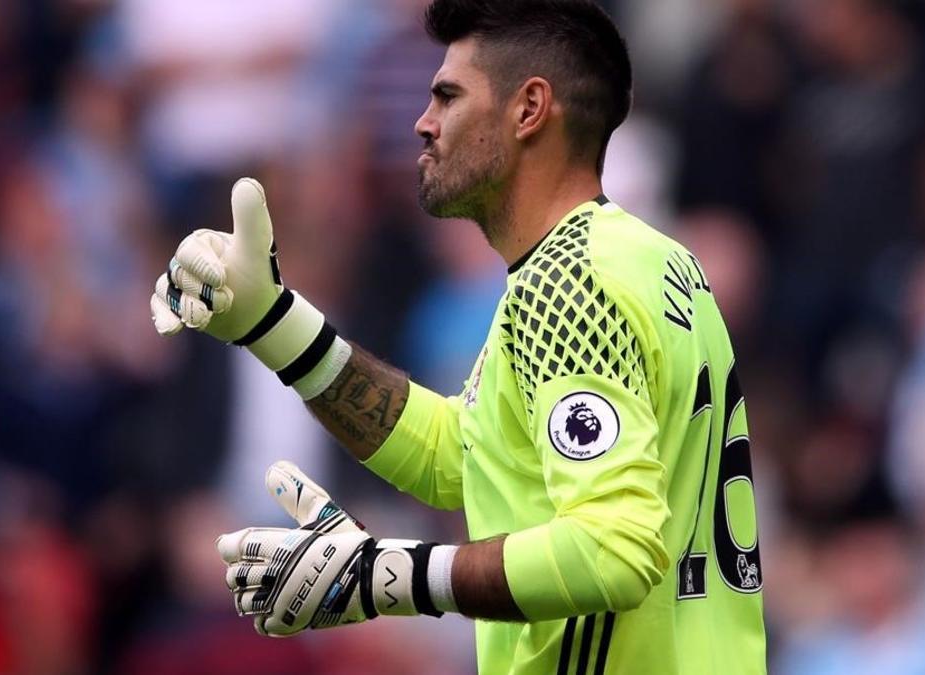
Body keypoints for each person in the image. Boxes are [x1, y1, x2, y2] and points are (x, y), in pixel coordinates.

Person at [148, 1, 767, 673]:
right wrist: (276, 326)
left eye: (447, 96)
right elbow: (461, 459)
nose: (423, 122)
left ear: (529, 109)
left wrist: (393, 576)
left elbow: (614, 549)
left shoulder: (568, 284)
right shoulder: (660, 263)